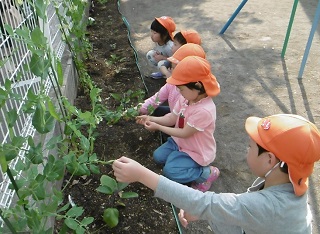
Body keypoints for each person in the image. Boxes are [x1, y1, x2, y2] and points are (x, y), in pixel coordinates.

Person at [113, 113, 320, 233]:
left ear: (269, 160)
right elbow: (233, 206)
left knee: (212, 208)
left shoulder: (270, 206)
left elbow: (209, 204)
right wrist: (203, 211)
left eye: (250, 147)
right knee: (218, 212)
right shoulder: (289, 184)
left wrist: (141, 174)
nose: (246, 150)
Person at [137, 56, 221, 191]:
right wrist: (151, 118)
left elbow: (184, 133)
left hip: (195, 150)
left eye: (181, 89)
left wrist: (158, 127)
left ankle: (206, 174)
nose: (179, 92)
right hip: (179, 142)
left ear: (198, 86)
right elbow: (172, 118)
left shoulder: (204, 110)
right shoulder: (186, 98)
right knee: (158, 157)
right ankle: (178, 159)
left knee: (170, 172)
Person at [139, 43, 206, 116]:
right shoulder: (171, 85)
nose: (170, 69)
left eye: (174, 68)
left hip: (182, 122)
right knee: (154, 111)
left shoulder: (192, 95)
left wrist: (159, 123)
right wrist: (137, 109)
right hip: (174, 115)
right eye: (171, 66)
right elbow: (155, 99)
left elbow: (181, 121)